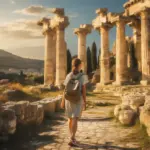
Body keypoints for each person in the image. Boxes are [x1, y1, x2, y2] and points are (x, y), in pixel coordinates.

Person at [61, 58, 88, 146]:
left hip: (68, 99)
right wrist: (85, 101)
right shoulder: (83, 76)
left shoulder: (69, 75)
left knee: (70, 118)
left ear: (73, 65)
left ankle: (71, 137)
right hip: (77, 99)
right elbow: (84, 90)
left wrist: (62, 101)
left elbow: (64, 89)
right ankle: (72, 138)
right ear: (80, 65)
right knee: (75, 118)